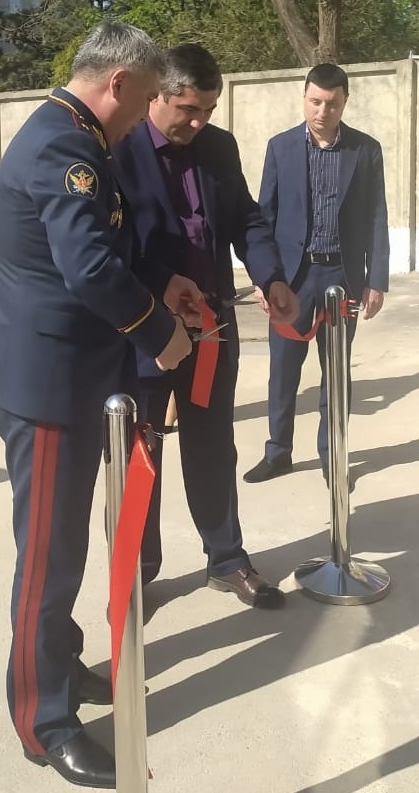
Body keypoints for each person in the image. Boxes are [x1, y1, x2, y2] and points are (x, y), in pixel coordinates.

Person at [0, 22, 200, 790]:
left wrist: (161, 284)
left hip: (70, 378)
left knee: (63, 549)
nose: (146, 115)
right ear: (118, 83)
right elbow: (88, 268)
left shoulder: (76, 138)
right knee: (49, 558)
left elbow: (110, 247)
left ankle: (60, 666)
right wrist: (160, 332)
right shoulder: (64, 148)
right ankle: (43, 721)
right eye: (146, 99)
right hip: (48, 386)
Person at [113, 43, 299, 610]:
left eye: (208, 110)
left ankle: (227, 559)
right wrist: (161, 287)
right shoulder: (118, 149)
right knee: (140, 454)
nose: (198, 122)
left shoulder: (219, 147)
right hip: (146, 331)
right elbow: (114, 247)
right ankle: (136, 575)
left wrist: (270, 276)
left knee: (214, 444)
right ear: (156, 96)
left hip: (212, 329)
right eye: (188, 110)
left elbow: (247, 219)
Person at [243, 62, 389, 486]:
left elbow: (377, 215)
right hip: (292, 278)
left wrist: (376, 279)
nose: (323, 111)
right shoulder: (281, 148)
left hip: (343, 275)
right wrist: (263, 277)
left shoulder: (365, 150)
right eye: (315, 102)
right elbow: (265, 215)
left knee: (336, 373)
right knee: (283, 371)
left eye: (332, 103)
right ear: (304, 98)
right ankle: (278, 451)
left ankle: (332, 456)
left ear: (345, 101)